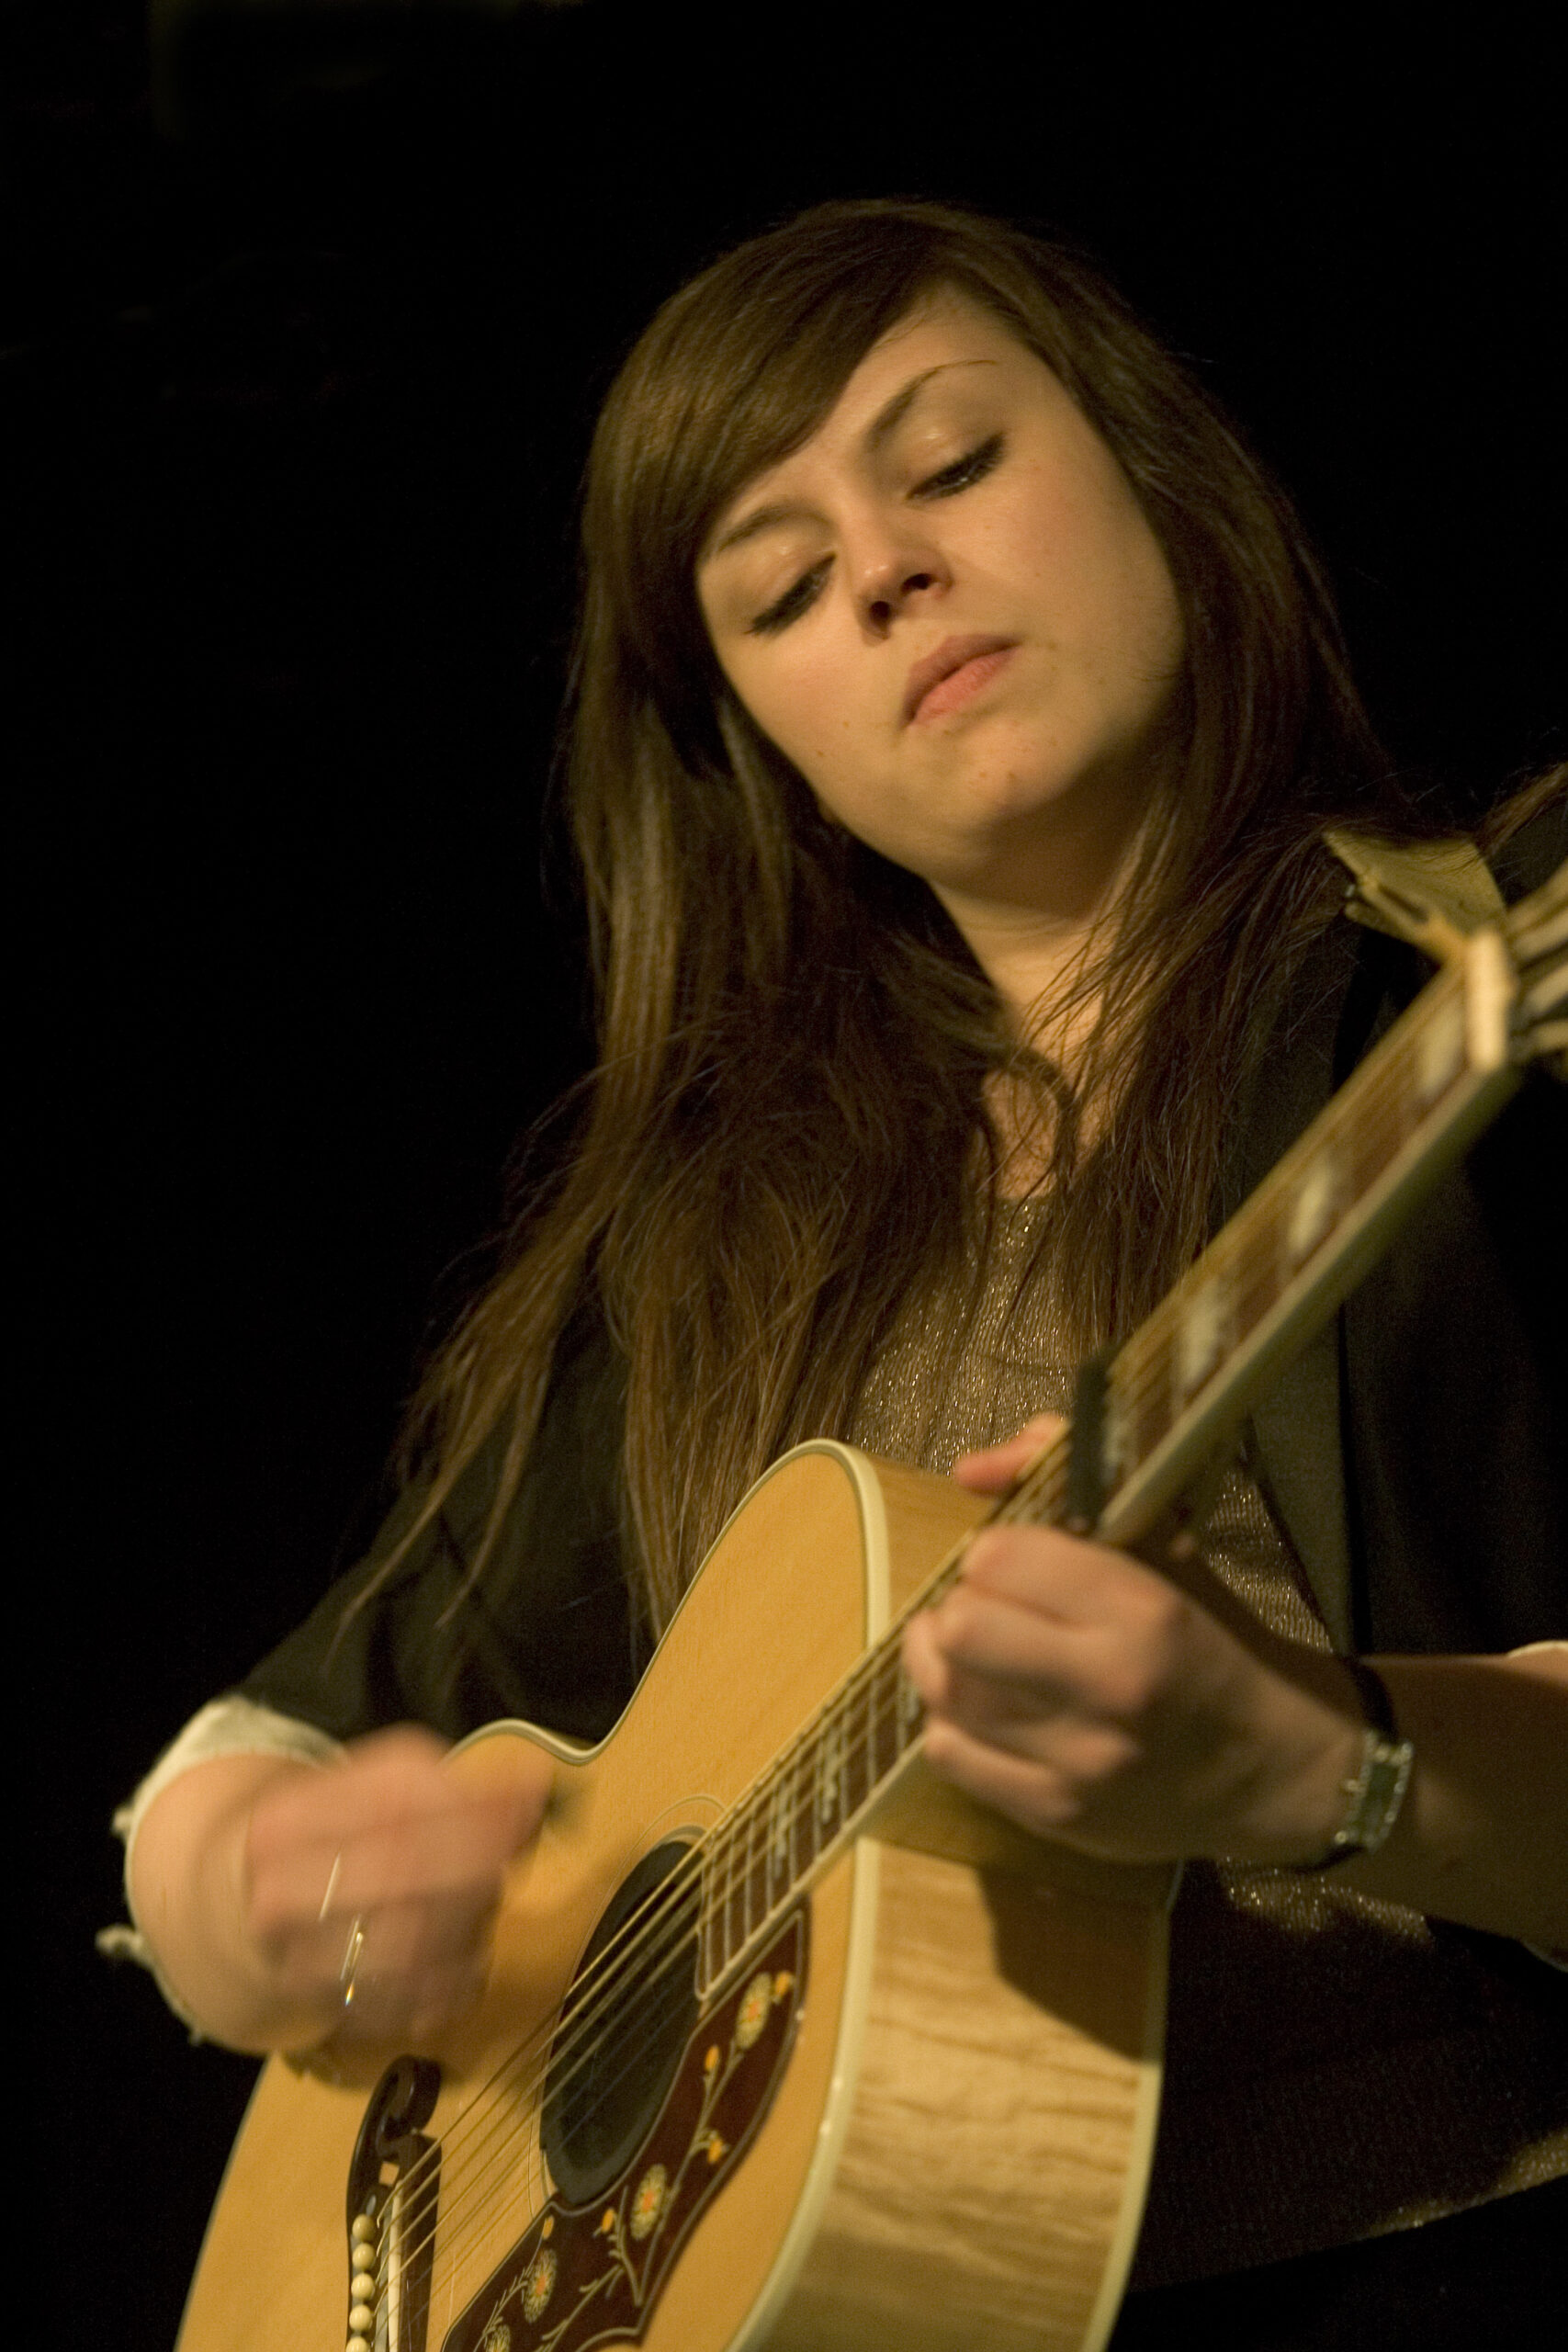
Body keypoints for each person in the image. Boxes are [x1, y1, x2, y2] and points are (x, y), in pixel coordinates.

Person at [109, 200, 1566, 2345]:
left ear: (1149, 466)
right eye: (780, 588)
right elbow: (254, 1746)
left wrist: (1312, 1764)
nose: (879, 570)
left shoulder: (1447, 1003)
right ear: (755, 742)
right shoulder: (727, 1236)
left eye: (950, 463)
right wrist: (260, 1905)